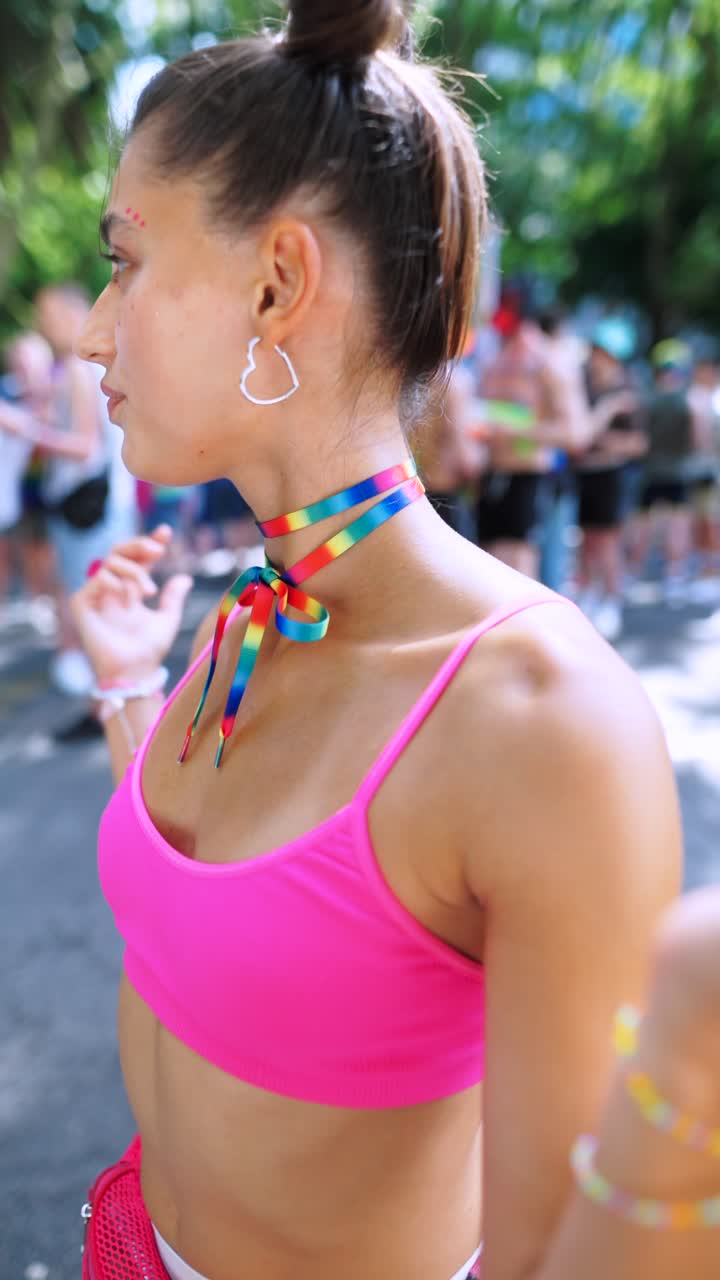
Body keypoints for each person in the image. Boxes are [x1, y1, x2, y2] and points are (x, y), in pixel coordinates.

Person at [65, 5, 716, 1278]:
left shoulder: (539, 716)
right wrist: (127, 677)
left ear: (278, 283)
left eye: (125, 262)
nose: (94, 328)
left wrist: (680, 1113)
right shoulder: (254, 611)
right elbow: (229, 914)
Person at [475, 288, 590, 580]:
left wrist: (515, 431)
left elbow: (576, 434)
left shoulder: (548, 363)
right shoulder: (493, 356)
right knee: (488, 566)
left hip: (529, 478)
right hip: (490, 478)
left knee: (519, 567)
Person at [573, 318, 647, 641]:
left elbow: (638, 443)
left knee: (607, 541)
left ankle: (611, 600)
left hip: (610, 476)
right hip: (584, 474)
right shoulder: (585, 386)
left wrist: (602, 441)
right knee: (586, 540)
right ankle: (590, 593)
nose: (596, 359)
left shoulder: (626, 392)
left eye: (603, 353)